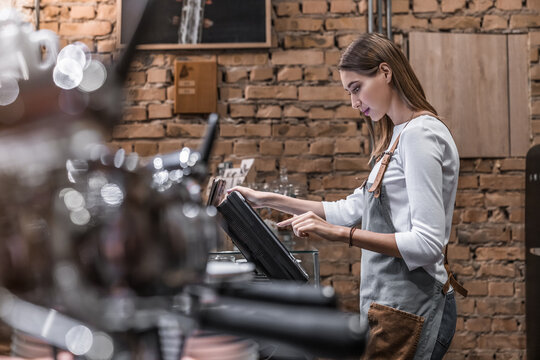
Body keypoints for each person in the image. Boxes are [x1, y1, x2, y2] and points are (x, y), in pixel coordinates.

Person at [228, 32, 467, 359]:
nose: (354, 103)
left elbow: (427, 245)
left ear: (385, 73)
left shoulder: (420, 135)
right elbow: (348, 209)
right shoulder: (397, 136)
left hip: (415, 306)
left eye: (357, 88)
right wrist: (265, 199)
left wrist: (339, 235)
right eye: (349, 92)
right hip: (396, 305)